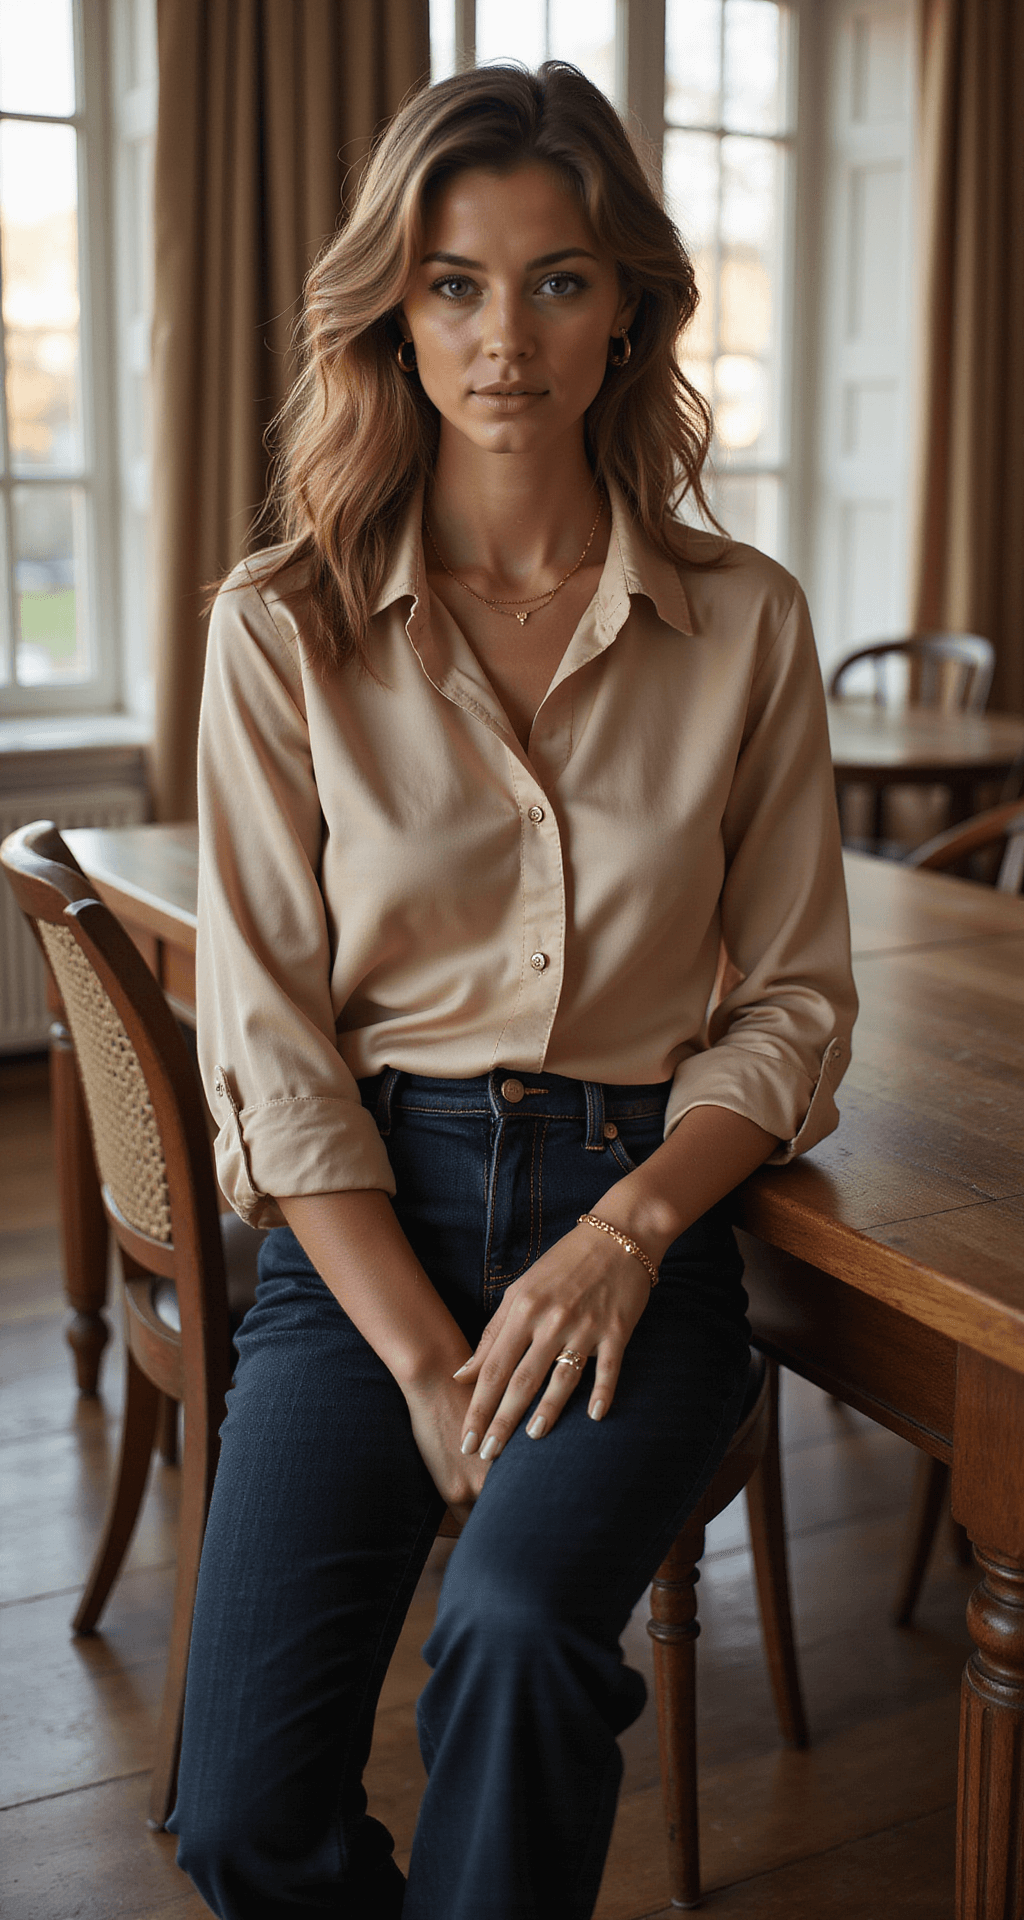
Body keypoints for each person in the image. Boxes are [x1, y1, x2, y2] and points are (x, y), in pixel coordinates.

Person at [169, 60, 856, 1920]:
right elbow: (273, 1045)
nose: (503, 338)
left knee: (527, 1632)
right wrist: (413, 1362)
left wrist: (633, 1228)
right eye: (456, 283)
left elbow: (792, 1002)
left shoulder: (751, 624)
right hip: (361, 1234)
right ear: (394, 304)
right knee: (237, 1821)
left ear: (627, 307)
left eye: (556, 280)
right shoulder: (280, 626)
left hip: (627, 1221)